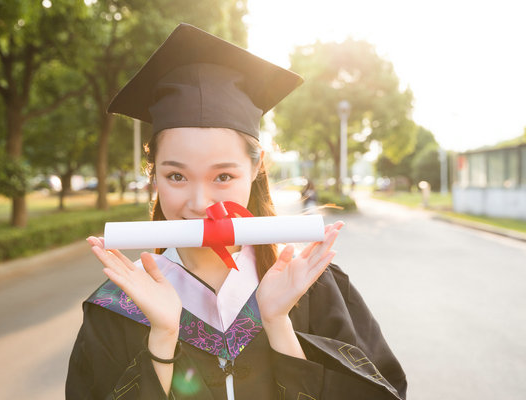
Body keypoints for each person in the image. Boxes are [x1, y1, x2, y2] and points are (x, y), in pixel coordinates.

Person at [66, 24, 406, 400]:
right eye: (176, 175)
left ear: (256, 170)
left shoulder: (311, 288)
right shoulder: (120, 307)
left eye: (223, 176)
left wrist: (278, 325)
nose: (199, 203)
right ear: (154, 175)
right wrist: (161, 339)